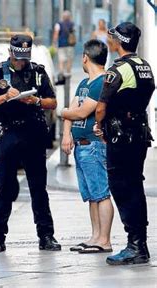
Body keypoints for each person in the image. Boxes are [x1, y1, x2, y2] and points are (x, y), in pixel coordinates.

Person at [0, 34, 61, 253]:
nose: (21, 61)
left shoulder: (38, 71)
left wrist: (35, 100)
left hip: (32, 132)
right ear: (10, 52)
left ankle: (46, 236)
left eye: (24, 57)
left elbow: (52, 102)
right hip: (7, 132)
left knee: (38, 188)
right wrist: (5, 96)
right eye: (17, 57)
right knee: (3, 187)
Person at [94, 22, 155, 265]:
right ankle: (140, 242)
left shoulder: (118, 69)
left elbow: (101, 107)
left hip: (121, 137)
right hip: (139, 134)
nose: (110, 41)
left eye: (113, 37)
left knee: (121, 187)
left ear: (119, 41)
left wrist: (100, 125)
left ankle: (135, 245)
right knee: (135, 186)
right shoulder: (145, 66)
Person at [61, 39, 114, 254]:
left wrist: (61, 112)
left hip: (94, 146)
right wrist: (66, 133)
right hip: (81, 147)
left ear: (85, 57)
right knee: (92, 195)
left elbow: (80, 112)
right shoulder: (85, 84)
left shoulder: (102, 83)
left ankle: (105, 240)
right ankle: (95, 237)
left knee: (101, 193)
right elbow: (73, 110)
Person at [53, 10, 76, 76]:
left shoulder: (58, 24)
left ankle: (62, 73)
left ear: (63, 16)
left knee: (61, 60)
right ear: (69, 17)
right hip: (70, 44)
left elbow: (56, 34)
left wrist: (54, 43)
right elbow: (73, 32)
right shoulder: (72, 24)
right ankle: (68, 73)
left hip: (61, 45)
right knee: (69, 59)